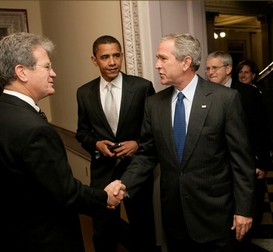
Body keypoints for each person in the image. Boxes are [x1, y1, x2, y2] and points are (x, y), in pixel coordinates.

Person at [0, 32, 126, 252]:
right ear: (21, 72)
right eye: (46, 67)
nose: (54, 73)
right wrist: (105, 198)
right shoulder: (34, 129)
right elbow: (66, 193)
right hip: (45, 238)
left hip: (13, 234)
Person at [111, 33, 257, 251]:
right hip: (175, 219)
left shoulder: (224, 99)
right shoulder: (154, 104)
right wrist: (124, 183)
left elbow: (241, 161)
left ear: (186, 62)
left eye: (163, 58)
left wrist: (244, 210)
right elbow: (147, 154)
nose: (157, 65)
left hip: (216, 217)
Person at [75, 35, 157, 252]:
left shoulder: (142, 88)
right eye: (105, 57)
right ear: (95, 60)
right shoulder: (84, 93)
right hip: (103, 171)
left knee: (143, 228)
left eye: (116, 55)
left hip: (136, 172)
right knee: (103, 231)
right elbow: (82, 132)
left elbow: (155, 131)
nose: (112, 62)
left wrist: (137, 144)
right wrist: (96, 145)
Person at [206, 51, 272, 251]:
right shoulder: (204, 93)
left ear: (227, 69)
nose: (210, 72)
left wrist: (261, 163)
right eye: (207, 68)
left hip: (245, 162)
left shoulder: (247, 93)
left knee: (246, 208)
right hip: (217, 166)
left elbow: (259, 129)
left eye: (214, 68)